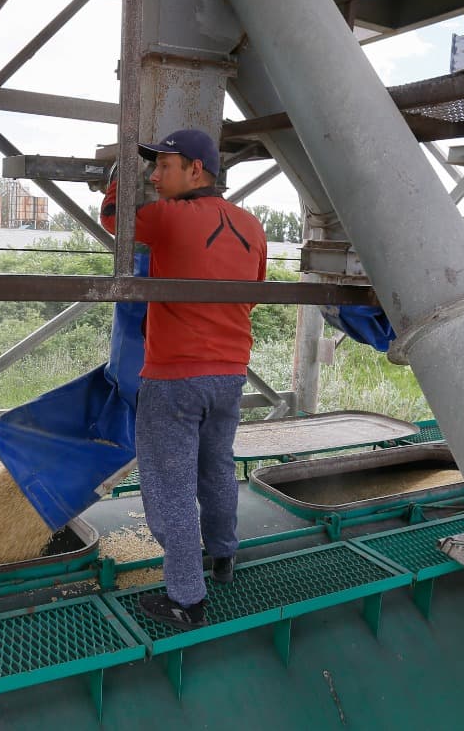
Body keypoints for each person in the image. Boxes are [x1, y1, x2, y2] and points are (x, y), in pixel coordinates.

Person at [101, 128, 267, 630]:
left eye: (164, 166)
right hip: (230, 374)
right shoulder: (251, 225)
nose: (154, 176)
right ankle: (223, 554)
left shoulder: (168, 217)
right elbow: (253, 293)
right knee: (216, 468)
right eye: (151, 168)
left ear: (197, 170)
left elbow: (114, 221)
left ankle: (186, 600)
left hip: (173, 377)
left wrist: (116, 175)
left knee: (169, 485)